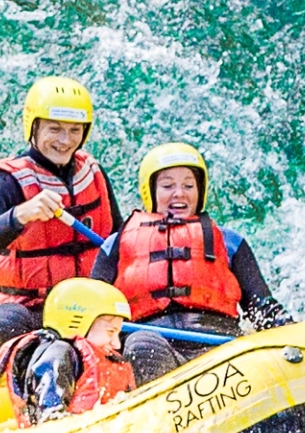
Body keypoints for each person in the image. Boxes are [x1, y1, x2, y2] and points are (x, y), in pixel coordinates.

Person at [0, 75, 120, 350]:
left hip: (90, 309)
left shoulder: (93, 173)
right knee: (3, 321)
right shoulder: (3, 182)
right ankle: (37, 382)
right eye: (54, 129)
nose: (65, 141)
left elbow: (118, 241)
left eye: (75, 130)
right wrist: (20, 214)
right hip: (30, 309)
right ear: (33, 126)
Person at [107, 141, 287, 378]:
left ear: (200, 191)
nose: (179, 193)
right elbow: (96, 309)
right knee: (141, 345)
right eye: (167, 185)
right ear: (149, 191)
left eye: (188, 185)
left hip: (218, 344)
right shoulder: (116, 245)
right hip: (154, 346)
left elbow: (261, 307)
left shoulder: (230, 242)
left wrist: (292, 333)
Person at [1, 277, 138, 426]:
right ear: (79, 323)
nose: (116, 344)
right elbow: (50, 415)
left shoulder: (108, 357)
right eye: (111, 331)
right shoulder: (59, 353)